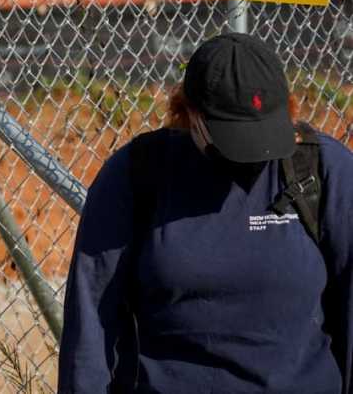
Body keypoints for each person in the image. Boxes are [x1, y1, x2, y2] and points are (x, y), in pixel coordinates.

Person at [58, 31, 353, 393]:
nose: (256, 153)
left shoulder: (321, 171)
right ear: (192, 114)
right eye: (238, 138)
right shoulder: (138, 175)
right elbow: (90, 329)